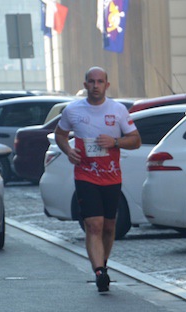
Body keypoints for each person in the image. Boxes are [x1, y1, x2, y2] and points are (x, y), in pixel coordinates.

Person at [55, 67, 141, 292]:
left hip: (111, 176)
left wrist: (115, 142)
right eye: (91, 82)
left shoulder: (118, 110)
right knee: (94, 225)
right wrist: (68, 151)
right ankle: (99, 272)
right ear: (85, 85)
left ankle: (103, 262)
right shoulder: (73, 110)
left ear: (107, 85)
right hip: (85, 175)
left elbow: (135, 140)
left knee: (109, 227)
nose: (95, 86)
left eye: (100, 81)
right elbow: (60, 134)